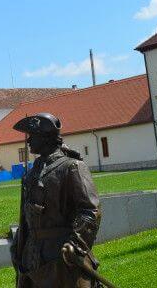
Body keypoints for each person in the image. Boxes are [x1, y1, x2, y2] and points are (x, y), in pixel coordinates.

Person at [10, 113, 102, 288]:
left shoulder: (72, 167)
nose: (28, 141)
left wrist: (76, 243)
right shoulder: (30, 174)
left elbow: (90, 211)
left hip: (61, 257)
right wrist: (18, 247)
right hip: (32, 258)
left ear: (45, 138)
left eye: (32, 136)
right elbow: (25, 216)